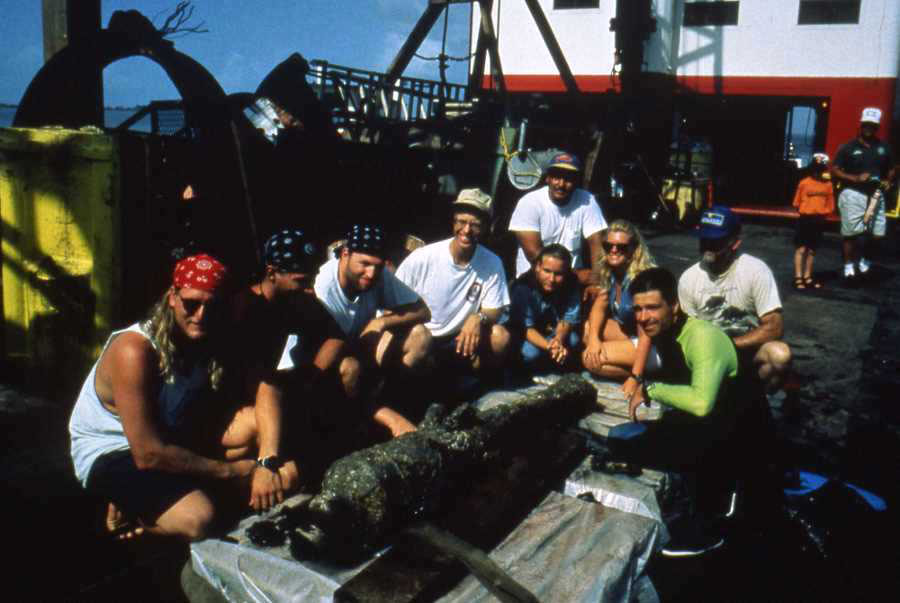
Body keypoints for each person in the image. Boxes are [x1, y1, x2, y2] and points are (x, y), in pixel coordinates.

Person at [69, 254, 277, 541]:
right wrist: (229, 471)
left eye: (212, 305)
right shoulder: (134, 350)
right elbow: (148, 453)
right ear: (172, 297)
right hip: (116, 448)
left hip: (172, 431)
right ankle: (138, 515)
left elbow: (267, 385)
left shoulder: (215, 329)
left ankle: (154, 496)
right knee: (199, 519)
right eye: (191, 303)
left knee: (256, 426)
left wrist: (268, 459)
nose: (201, 315)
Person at [622, 268, 779, 556]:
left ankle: (711, 523)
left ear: (674, 306)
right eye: (638, 309)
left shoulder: (702, 337)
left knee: (687, 441)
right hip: (717, 422)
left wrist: (650, 389)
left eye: (653, 307)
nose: (644, 317)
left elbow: (701, 403)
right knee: (641, 441)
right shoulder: (666, 332)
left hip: (745, 435)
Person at [229, 230, 346, 509]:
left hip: (275, 390)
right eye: (301, 280)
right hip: (239, 401)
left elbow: (335, 336)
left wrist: (315, 372)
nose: (309, 288)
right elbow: (261, 383)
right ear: (272, 273)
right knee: (263, 429)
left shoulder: (298, 301)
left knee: (345, 372)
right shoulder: (244, 310)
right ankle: (259, 478)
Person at [314, 224, 430, 435]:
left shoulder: (377, 274)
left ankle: (394, 404)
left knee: (419, 336)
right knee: (350, 367)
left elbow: (422, 310)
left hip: (359, 348)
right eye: (364, 264)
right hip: (325, 366)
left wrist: (381, 322)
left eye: (377, 265)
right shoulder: (323, 288)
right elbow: (325, 358)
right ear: (345, 254)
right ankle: (362, 423)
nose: (371, 273)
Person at [395, 189, 511, 374]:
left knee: (500, 336)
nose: (466, 230)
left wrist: (478, 318)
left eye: (475, 225)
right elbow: (392, 303)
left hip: (457, 339)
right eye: (462, 222)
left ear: (486, 227)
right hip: (422, 335)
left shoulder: (492, 262)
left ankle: (477, 385)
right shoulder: (423, 257)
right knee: (419, 337)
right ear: (453, 221)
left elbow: (495, 308)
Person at [678, 206, 791, 392]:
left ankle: (759, 396)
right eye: (704, 240)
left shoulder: (756, 270)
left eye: (715, 242)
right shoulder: (688, 278)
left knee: (780, 355)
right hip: (709, 354)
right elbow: (686, 334)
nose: (707, 247)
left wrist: (730, 345)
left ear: (735, 243)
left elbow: (774, 327)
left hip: (748, 352)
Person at [508, 152, 608, 289]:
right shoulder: (529, 202)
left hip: (571, 285)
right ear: (547, 178)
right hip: (535, 282)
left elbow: (598, 244)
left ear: (576, 182)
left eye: (568, 179)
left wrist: (596, 281)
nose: (561, 184)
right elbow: (535, 255)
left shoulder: (587, 200)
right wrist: (578, 276)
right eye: (556, 177)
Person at [582, 220, 659, 391]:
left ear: (634, 249)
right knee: (589, 330)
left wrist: (635, 376)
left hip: (656, 345)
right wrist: (594, 340)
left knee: (589, 360)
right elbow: (600, 306)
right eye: (609, 246)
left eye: (621, 247)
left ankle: (643, 375)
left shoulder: (641, 279)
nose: (614, 251)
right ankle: (639, 370)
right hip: (632, 335)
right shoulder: (612, 272)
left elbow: (646, 333)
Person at [831, 107, 896, 281]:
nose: (869, 128)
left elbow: (892, 168)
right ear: (861, 125)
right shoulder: (848, 147)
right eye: (866, 124)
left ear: (877, 127)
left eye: (873, 126)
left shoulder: (884, 148)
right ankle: (848, 266)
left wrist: (888, 180)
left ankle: (865, 261)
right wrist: (854, 177)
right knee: (851, 234)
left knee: (877, 234)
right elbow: (835, 169)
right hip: (853, 194)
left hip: (876, 194)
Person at [508, 244, 581, 374]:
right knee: (530, 353)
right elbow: (525, 328)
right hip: (523, 332)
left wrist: (558, 340)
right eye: (547, 271)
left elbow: (568, 319)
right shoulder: (523, 287)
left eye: (558, 274)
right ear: (537, 267)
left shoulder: (572, 283)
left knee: (574, 340)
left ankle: (551, 359)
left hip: (550, 330)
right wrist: (550, 347)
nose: (552, 279)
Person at [792, 154, 835, 290]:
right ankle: (798, 277)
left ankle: (807, 276)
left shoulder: (828, 185)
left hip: (819, 220)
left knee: (812, 250)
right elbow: (796, 203)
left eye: (820, 169)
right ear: (812, 169)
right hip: (805, 219)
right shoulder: (804, 183)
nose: (817, 172)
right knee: (801, 249)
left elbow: (830, 204)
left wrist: (823, 213)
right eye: (815, 169)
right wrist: (807, 211)